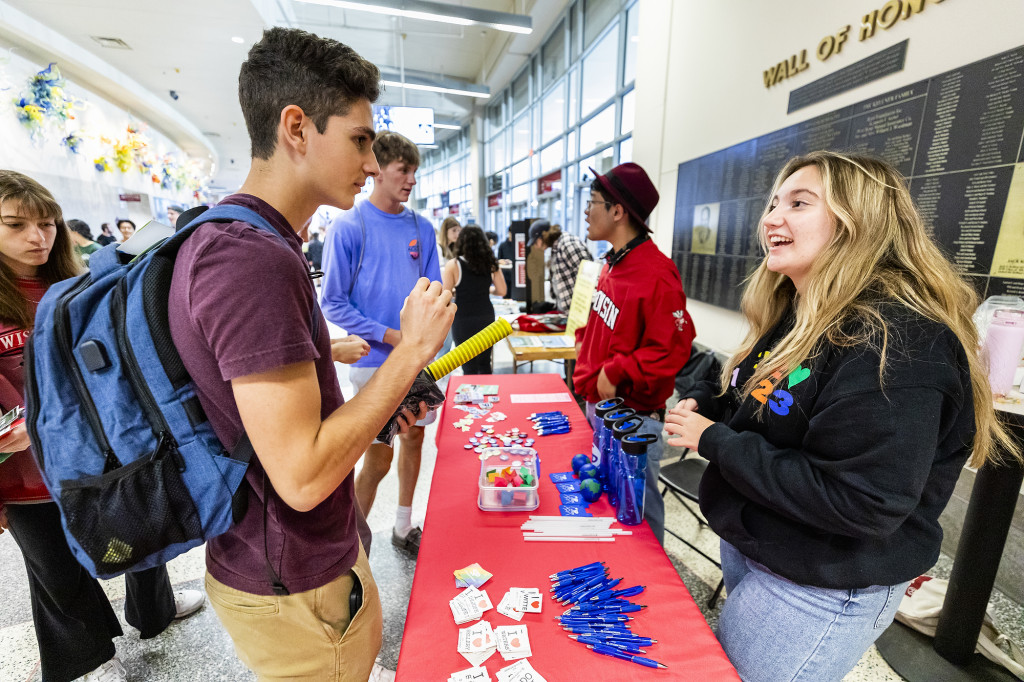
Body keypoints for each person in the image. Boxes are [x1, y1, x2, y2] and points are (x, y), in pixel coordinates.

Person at [664, 151, 1021, 682]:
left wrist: (715, 440)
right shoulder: (801, 312)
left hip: (821, 580)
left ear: (860, 221)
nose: (771, 219)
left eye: (799, 203)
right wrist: (713, 408)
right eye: (772, 203)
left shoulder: (898, 343)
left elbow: (861, 500)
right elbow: (768, 402)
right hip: (761, 542)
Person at [166, 29, 453, 680]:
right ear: (297, 128)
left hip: (286, 563)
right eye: (359, 140)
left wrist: (357, 382)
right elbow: (300, 477)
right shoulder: (251, 261)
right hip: (291, 582)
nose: (375, 165)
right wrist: (408, 352)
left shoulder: (248, 241)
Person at [0, 170, 204, 682]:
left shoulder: (76, 286)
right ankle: (86, 665)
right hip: (26, 480)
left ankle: (153, 611)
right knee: (57, 577)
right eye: (15, 225)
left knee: (142, 531)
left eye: (47, 224)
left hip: (102, 452)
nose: (37, 237)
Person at [320, 130, 443, 558]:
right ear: (378, 171)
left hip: (419, 364)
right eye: (402, 170)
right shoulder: (349, 227)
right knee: (376, 456)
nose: (410, 180)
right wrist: (390, 335)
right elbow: (332, 301)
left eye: (415, 172)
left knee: (415, 441)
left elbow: (435, 292)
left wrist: (428, 347)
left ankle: (404, 525)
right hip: (374, 363)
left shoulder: (421, 228)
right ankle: (350, 546)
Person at [572, 162, 695, 545]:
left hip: (633, 420)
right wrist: (583, 338)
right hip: (600, 407)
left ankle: (654, 592)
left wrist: (619, 369)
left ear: (618, 211)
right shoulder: (614, 262)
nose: (587, 211)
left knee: (638, 515)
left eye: (593, 202)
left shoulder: (656, 273)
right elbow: (608, 322)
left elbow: (675, 345)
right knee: (613, 507)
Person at [442, 225, 507, 374]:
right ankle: (489, 395)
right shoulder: (491, 262)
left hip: (463, 318)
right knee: (485, 363)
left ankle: (470, 396)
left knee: (468, 365)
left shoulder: (453, 265)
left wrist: (458, 291)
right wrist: (486, 289)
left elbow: (446, 296)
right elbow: (502, 290)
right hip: (486, 316)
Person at [528, 221, 593, 313]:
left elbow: (589, 280)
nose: (536, 247)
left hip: (579, 314)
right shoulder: (557, 247)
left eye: (535, 243)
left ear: (541, 237)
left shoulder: (568, 244)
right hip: (568, 314)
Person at [497, 229, 515, 298]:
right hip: (505, 276)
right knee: (506, 297)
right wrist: (503, 261)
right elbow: (498, 260)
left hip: (516, 276)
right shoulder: (502, 245)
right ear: (509, 233)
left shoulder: (518, 245)